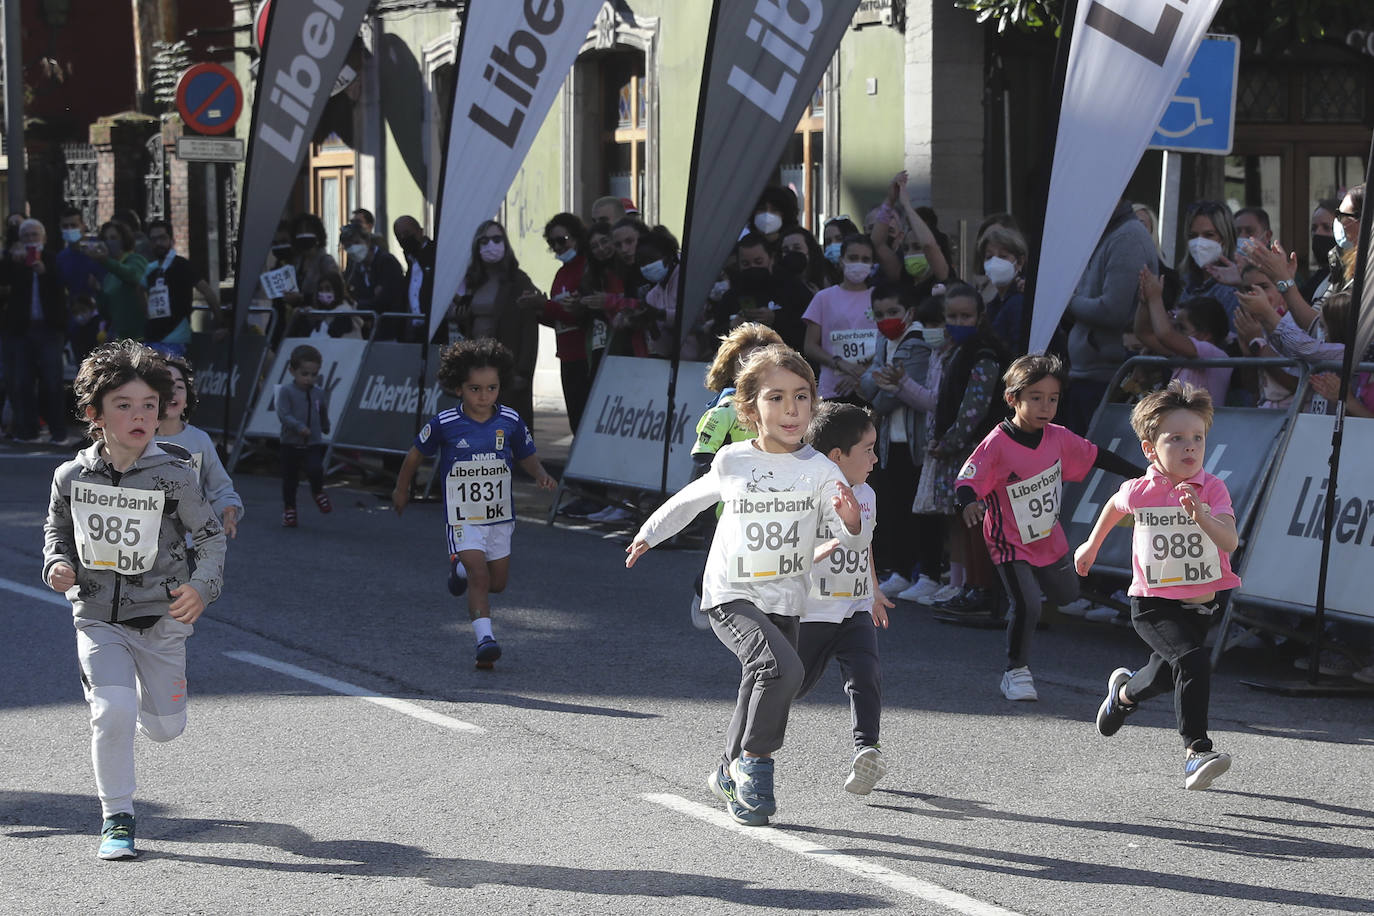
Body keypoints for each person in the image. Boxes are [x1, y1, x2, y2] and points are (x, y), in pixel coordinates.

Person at [625, 344, 869, 826]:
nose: (791, 409)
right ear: (749, 407)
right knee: (783, 670)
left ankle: (726, 768)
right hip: (729, 592)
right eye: (776, 398)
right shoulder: (734, 460)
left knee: (763, 678)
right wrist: (649, 533)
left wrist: (849, 517)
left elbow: (849, 532)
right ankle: (755, 766)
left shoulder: (820, 469)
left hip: (786, 595)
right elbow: (689, 501)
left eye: (801, 396)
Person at [42, 339, 226, 858]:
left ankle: (144, 705)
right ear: (93, 414)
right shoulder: (71, 477)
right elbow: (56, 532)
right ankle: (116, 818)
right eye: (123, 405)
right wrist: (56, 564)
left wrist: (201, 586)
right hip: (98, 616)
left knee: (166, 729)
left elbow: (210, 537)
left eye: (149, 405)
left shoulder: (175, 473)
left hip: (162, 619)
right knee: (113, 710)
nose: (140, 415)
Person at [1075, 380, 1240, 791]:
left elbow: (1229, 541)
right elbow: (1115, 504)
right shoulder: (1142, 489)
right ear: (1151, 449)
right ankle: (1196, 752)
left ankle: (1123, 695)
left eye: (1197, 438)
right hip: (1152, 603)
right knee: (1194, 662)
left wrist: (1201, 515)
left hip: (1201, 603)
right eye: (1177, 439)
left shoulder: (1213, 488)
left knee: (1168, 675)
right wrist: (1091, 546)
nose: (1190, 447)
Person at [957, 355, 1141, 701]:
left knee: (1067, 594)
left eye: (1053, 399)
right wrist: (968, 502)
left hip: (1048, 538)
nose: (1045, 406)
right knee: (1028, 604)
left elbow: (1096, 455)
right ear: (1013, 399)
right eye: (1036, 398)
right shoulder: (997, 443)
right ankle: (1016, 671)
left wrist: (1143, 475)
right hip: (1007, 540)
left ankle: (1030, 590)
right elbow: (969, 478)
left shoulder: (1057, 437)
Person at [391, 339, 556, 668]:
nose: (484, 396)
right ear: (458, 388)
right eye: (475, 389)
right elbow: (414, 456)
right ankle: (485, 641)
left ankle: (460, 568)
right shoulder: (445, 423)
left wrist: (540, 474)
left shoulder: (509, 420)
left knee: (497, 583)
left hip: (499, 516)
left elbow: (526, 454)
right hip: (463, 517)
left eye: (492, 388)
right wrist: (401, 488)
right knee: (481, 579)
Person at [795, 401, 892, 795]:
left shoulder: (867, 493)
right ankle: (746, 752)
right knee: (789, 688)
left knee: (865, 674)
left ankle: (867, 750)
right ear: (837, 456)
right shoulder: (807, 494)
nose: (874, 458)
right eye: (867, 449)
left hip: (853, 606)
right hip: (811, 612)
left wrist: (874, 590)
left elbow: (864, 543)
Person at [911, 283, 1010, 614]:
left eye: (966, 316)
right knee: (963, 519)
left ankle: (984, 588)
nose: (958, 322)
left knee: (977, 520)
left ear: (980, 317)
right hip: (958, 450)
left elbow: (975, 408)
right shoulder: (956, 352)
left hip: (975, 451)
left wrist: (949, 441)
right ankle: (970, 584)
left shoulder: (984, 354)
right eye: (952, 316)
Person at [687, 322, 785, 626]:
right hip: (730, 506)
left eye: (763, 358)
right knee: (728, 560)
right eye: (746, 360)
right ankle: (705, 588)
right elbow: (703, 461)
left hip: (776, 501)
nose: (754, 367)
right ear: (732, 367)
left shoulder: (790, 405)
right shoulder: (723, 410)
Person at [858, 284, 937, 597]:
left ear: (909, 313)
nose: (886, 320)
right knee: (894, 507)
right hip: (891, 439)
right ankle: (902, 571)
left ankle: (928, 573)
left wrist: (877, 386)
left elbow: (887, 395)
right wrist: (877, 383)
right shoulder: (883, 340)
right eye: (879, 314)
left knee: (921, 510)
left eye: (893, 312)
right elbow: (869, 383)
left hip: (916, 440)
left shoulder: (917, 345)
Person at [1062, 198, 1157, 434]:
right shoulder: (1106, 234)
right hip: (1091, 375)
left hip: (1107, 381)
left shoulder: (1126, 239)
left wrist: (1067, 301)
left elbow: (1113, 310)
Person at [452, 219, 539, 427]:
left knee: (511, 427)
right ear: (477, 246)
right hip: (478, 363)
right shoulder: (472, 281)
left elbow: (529, 330)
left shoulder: (518, 280)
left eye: (497, 239)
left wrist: (523, 371)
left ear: (505, 243)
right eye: (485, 241)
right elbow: (468, 326)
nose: (491, 245)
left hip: (507, 362)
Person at [155, 355, 243, 538]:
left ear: (187, 399)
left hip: (191, 544)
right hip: (147, 546)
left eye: (179, 386)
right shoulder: (137, 440)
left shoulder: (200, 439)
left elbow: (220, 487)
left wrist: (228, 510)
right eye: (165, 385)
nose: (173, 391)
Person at [2, 218, 73, 445]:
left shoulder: (54, 259)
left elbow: (63, 285)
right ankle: (27, 430)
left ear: (43, 238)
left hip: (49, 328)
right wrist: (11, 259)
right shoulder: (15, 260)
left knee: (52, 382)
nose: (31, 240)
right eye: (26, 236)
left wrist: (44, 272)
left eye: (35, 235)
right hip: (21, 329)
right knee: (21, 381)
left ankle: (57, 431)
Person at [1135, 268, 1233, 406]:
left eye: (1181, 328)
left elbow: (1165, 335)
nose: (1176, 333)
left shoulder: (1215, 355)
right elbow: (1143, 333)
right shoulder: (1182, 354)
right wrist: (1145, 301)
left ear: (1205, 335)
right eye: (1175, 327)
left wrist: (1155, 297)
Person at [802, 235, 879, 404]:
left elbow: (889, 343)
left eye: (865, 259)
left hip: (873, 388)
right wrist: (840, 364)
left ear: (873, 264)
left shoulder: (879, 297)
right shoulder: (823, 298)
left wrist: (864, 372)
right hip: (833, 389)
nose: (859, 263)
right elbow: (810, 345)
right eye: (853, 258)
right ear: (841, 260)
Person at [713, 232, 812, 353]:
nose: (753, 267)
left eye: (758, 262)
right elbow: (714, 338)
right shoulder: (731, 296)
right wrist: (732, 326)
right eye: (746, 264)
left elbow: (810, 332)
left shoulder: (793, 288)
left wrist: (776, 319)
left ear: (771, 259)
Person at [143, 219, 222, 356]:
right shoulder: (151, 269)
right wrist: (146, 312)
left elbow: (207, 291)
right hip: (152, 338)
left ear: (171, 240)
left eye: (162, 238)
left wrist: (220, 323)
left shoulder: (182, 265)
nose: (158, 243)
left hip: (176, 339)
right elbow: (140, 289)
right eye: (154, 239)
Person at [275, 344, 332, 528]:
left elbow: (322, 411)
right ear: (292, 371)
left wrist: (325, 425)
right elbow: (283, 414)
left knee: (316, 469)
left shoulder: (318, 393)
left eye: (314, 375)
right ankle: (289, 509)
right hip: (290, 443)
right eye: (304, 374)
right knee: (290, 479)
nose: (309, 379)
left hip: (313, 442)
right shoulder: (287, 391)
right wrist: (298, 427)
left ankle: (318, 491)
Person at [340, 222, 406, 339]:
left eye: (356, 243)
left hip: (391, 330)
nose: (353, 249)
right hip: (368, 332)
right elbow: (353, 295)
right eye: (348, 246)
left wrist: (358, 304)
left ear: (367, 241)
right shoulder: (355, 267)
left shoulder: (386, 262)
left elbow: (385, 300)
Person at [90, 220, 148, 343]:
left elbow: (132, 276)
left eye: (114, 238)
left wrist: (105, 260)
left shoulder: (135, 260)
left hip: (141, 337)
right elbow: (107, 312)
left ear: (124, 239)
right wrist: (98, 291)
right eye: (106, 239)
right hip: (120, 338)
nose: (109, 242)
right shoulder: (110, 275)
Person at [977, 224, 1029, 351]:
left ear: (1020, 262)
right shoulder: (995, 303)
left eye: (1003, 256)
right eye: (989, 257)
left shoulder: (1020, 301)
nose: (995, 262)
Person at [393, 215, 435, 343]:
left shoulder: (435, 254)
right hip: (412, 331)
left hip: (433, 329)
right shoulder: (411, 260)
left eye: (407, 233)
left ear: (420, 231)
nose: (404, 239)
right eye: (399, 237)